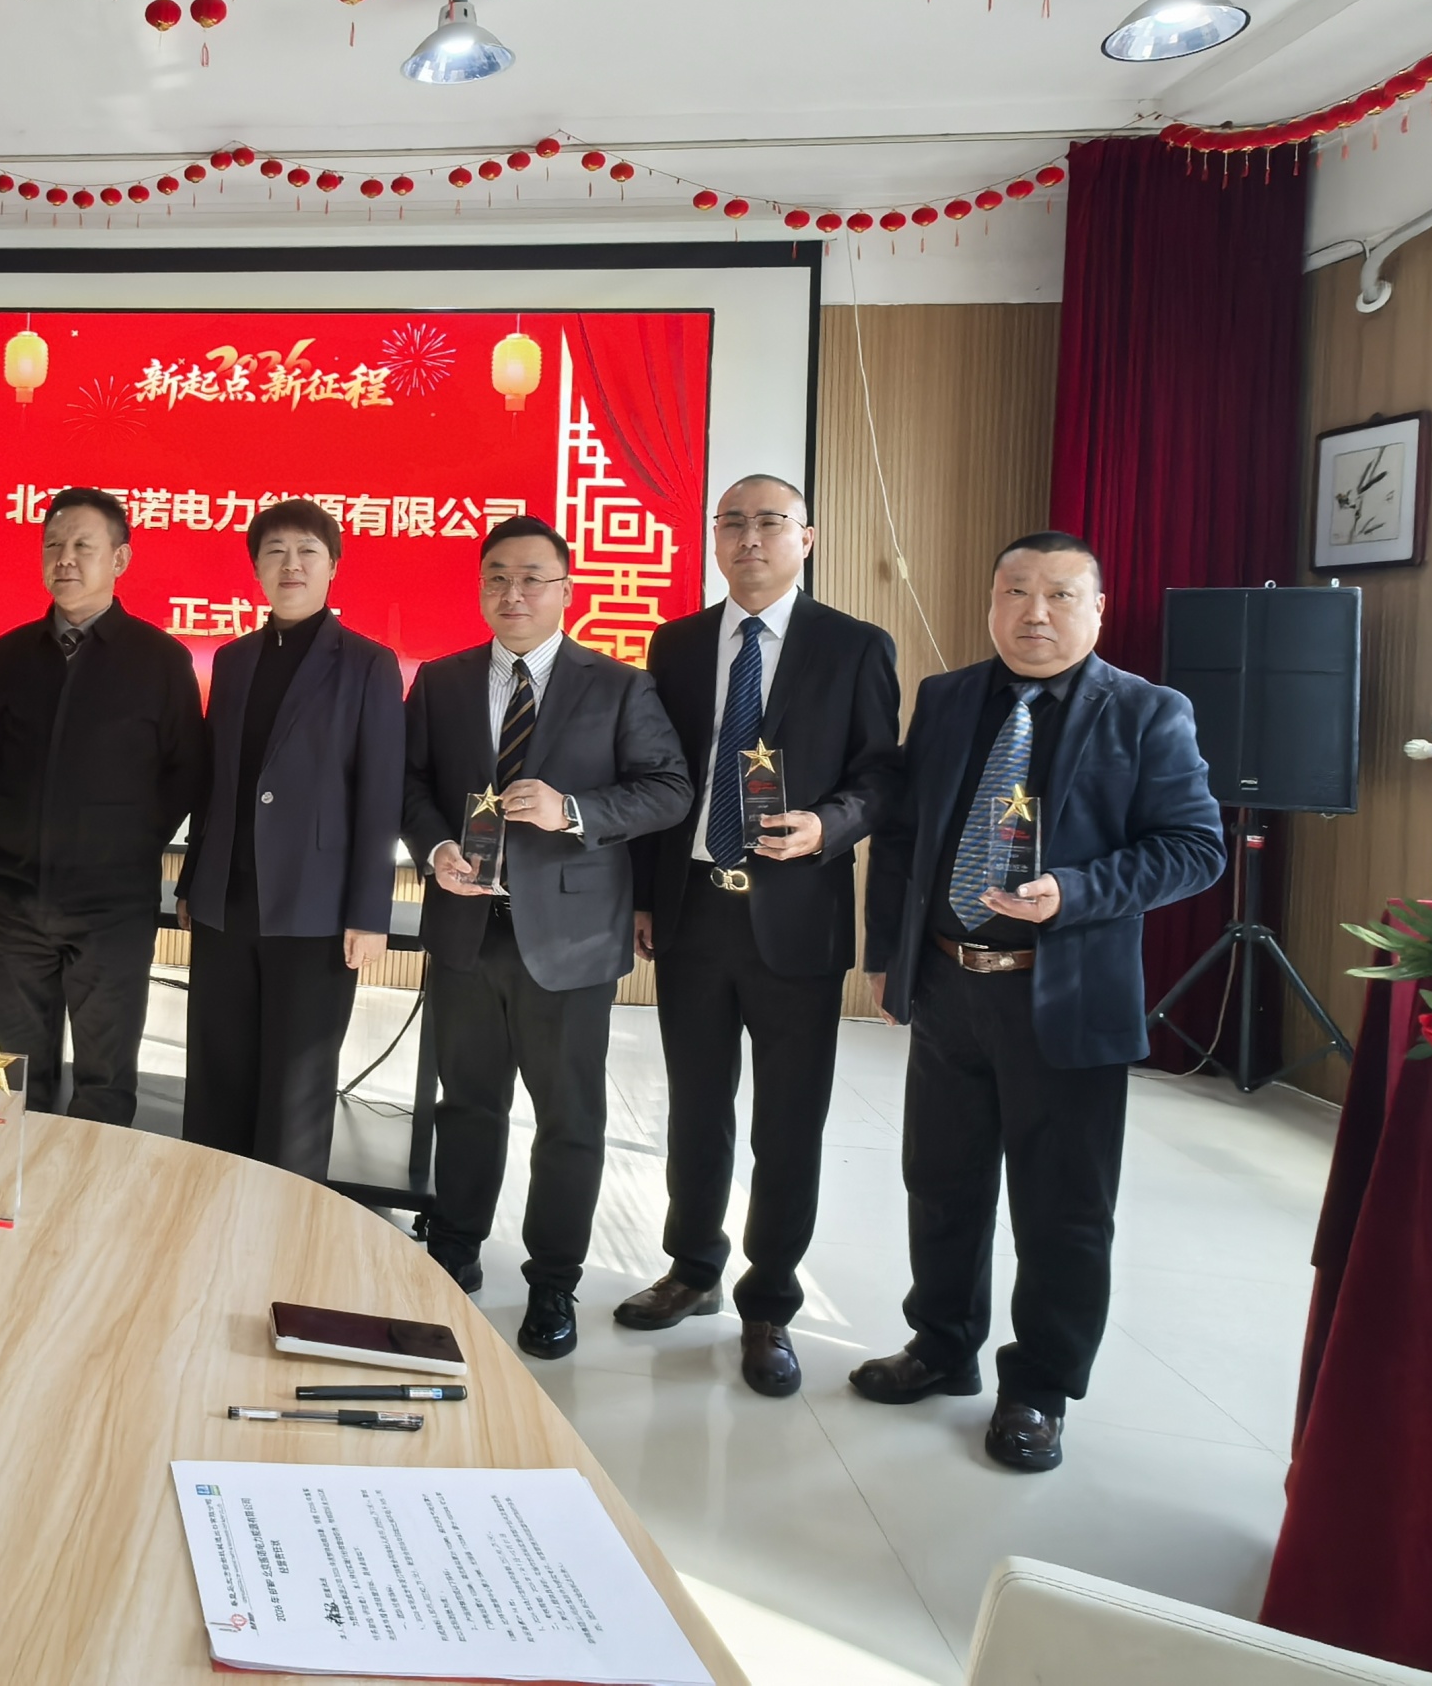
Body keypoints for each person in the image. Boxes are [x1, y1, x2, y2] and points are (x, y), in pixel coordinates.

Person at [854, 531, 1224, 1472]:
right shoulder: (946, 698)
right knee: (941, 1183)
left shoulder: (1147, 711)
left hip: (1065, 995)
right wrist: (889, 956)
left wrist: (1077, 891)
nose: (1035, 613)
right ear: (991, 603)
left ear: (1097, 610)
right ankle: (942, 1345)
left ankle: (1039, 1390)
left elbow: (1194, 849)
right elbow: (903, 834)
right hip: (948, 982)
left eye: (1060, 595)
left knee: (1062, 1208)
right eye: (1015, 591)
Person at [617, 476, 900, 1396]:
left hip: (797, 915)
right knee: (695, 1109)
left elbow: (882, 776)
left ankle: (770, 1299)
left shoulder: (855, 645)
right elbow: (658, 777)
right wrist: (645, 894)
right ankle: (692, 1267)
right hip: (695, 908)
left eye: (769, 522)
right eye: (731, 523)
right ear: (714, 538)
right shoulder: (677, 642)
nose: (749, 539)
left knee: (787, 1122)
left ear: (805, 538)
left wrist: (829, 825)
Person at [401, 515, 692, 1357]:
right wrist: (437, 847)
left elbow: (669, 790)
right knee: (467, 1105)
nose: (514, 592)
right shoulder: (443, 681)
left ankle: (553, 1282)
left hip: (569, 940)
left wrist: (575, 812)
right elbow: (409, 784)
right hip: (466, 928)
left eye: (533, 577)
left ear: (567, 590)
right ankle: (454, 1252)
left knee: (568, 1119)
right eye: (497, 576)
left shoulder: (619, 686)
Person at [175, 499, 404, 1180]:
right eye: (275, 552)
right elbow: (217, 781)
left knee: (295, 1089)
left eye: (307, 551)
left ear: (334, 566)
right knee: (217, 1074)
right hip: (226, 900)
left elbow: (380, 793)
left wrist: (370, 912)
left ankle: (284, 1227)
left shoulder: (368, 663)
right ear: (256, 569)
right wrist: (192, 880)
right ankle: (209, 1207)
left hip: (317, 908)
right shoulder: (234, 659)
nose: (291, 565)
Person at [0, 487, 208, 1124]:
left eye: (83, 545)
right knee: (11, 1076)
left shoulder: (161, 659)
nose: (65, 558)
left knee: (104, 1080)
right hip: (16, 895)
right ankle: (11, 1182)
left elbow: (185, 772)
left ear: (120, 559)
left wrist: (127, 840)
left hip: (113, 903)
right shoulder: (10, 653)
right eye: (53, 544)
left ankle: (88, 1189)